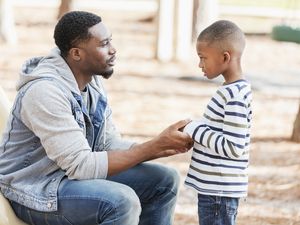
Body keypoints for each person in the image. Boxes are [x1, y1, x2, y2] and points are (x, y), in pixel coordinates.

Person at [0, 11, 193, 225]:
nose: (113, 50)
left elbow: (108, 144)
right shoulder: (44, 92)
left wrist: (162, 146)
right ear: (76, 54)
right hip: (34, 189)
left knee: (164, 180)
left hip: (67, 177)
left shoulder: (91, 81)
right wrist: (152, 147)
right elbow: (81, 166)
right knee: (121, 201)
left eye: (111, 40)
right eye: (104, 44)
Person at [183, 20, 253, 225]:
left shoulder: (235, 96)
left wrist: (194, 129)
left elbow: (234, 147)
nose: (199, 64)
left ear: (225, 57)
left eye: (203, 58)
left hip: (219, 192)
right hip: (215, 190)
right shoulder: (230, 91)